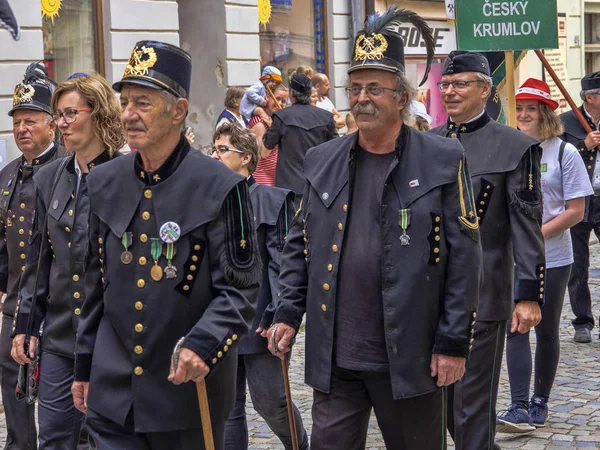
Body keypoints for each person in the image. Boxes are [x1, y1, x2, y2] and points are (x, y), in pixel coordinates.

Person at [268, 8, 481, 449]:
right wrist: (288, 313)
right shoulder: (321, 160)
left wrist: (454, 342)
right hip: (336, 357)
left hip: (411, 357)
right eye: (356, 87)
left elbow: (464, 258)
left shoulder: (444, 159)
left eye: (375, 88)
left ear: (402, 97)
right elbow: (298, 244)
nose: (362, 98)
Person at [69, 40, 260, 449]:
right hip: (113, 391)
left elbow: (239, 290)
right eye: (125, 102)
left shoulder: (221, 186)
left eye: (143, 102)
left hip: (186, 391)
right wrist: (83, 366)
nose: (129, 114)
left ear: (178, 111)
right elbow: (92, 287)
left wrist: (203, 344)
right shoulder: (102, 182)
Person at [430, 51, 545, 450]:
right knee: (440, 404)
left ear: (485, 90)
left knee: (470, 404)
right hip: (430, 295)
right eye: (446, 84)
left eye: (461, 84)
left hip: (484, 292)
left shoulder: (514, 146)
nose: (450, 92)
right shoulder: (426, 143)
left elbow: (527, 228)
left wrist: (528, 294)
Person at [10, 72, 124, 450]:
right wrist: (25, 324)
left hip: (113, 336)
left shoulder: (127, 177)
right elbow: (38, 260)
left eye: (70, 113)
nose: (61, 123)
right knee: (55, 435)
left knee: (105, 436)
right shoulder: (50, 177)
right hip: (61, 334)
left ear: (99, 114)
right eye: (58, 114)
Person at [496, 78, 593, 433]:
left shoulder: (564, 152)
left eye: (530, 108)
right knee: (515, 327)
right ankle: (518, 405)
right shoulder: (508, 149)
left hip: (553, 257)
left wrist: (532, 235)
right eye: (518, 108)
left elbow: (576, 211)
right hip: (514, 260)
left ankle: (540, 401)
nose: (523, 114)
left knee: (546, 330)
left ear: (546, 113)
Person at [210, 123, 308, 450]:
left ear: (246, 158)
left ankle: (300, 446)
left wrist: (280, 313)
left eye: (223, 150)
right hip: (220, 319)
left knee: (271, 401)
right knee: (227, 408)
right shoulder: (207, 203)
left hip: (261, 319)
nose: (214, 155)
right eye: (213, 148)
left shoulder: (271, 200)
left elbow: (284, 261)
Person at [0, 62, 64, 450]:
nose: (22, 129)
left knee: (58, 389)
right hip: (14, 300)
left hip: (56, 303)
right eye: (17, 122)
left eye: (31, 121)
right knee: (12, 381)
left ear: (51, 125)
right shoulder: (6, 174)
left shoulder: (67, 170)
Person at [560, 72, 600, 343]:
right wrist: (583, 146)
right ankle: (582, 322)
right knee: (577, 265)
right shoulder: (565, 122)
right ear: (590, 97)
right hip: (577, 199)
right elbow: (556, 154)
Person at [263, 73, 338, 201]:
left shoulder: (281, 117)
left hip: (289, 189)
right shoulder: (326, 117)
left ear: (291, 94)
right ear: (310, 93)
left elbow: (264, 152)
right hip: (319, 186)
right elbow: (337, 151)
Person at [250, 85, 289, 186]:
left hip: (275, 178)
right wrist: (274, 128)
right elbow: (263, 153)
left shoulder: (274, 120)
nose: (280, 103)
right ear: (267, 97)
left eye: (284, 101)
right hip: (262, 179)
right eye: (277, 99)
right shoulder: (259, 122)